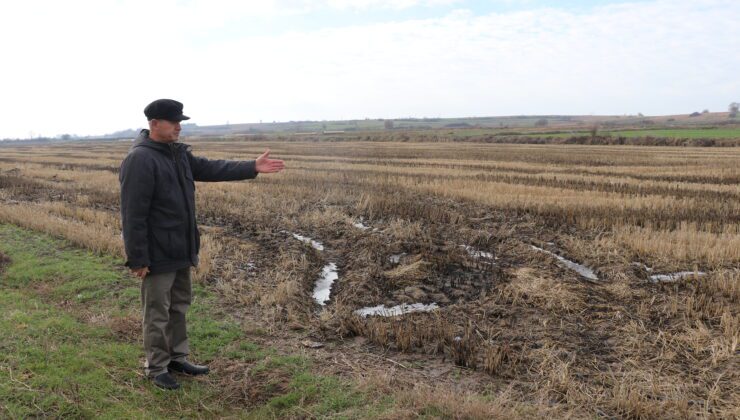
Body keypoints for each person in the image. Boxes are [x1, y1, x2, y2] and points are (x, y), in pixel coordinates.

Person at [119, 99, 285, 390]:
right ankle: (156, 367)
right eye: (174, 122)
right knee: (157, 312)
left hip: (182, 247)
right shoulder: (141, 159)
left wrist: (252, 167)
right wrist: (138, 258)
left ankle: (177, 358)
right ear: (155, 124)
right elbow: (133, 214)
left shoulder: (177, 154)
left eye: (180, 122)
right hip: (157, 253)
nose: (179, 127)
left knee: (179, 307)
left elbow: (212, 168)